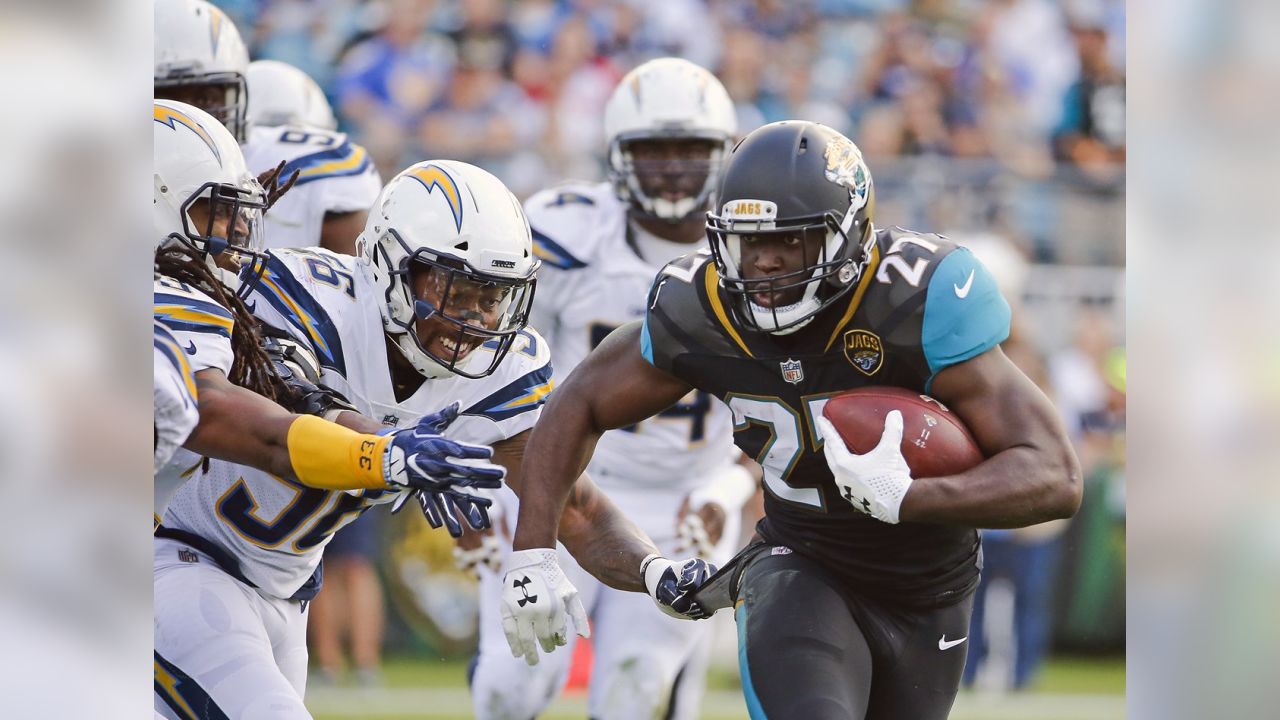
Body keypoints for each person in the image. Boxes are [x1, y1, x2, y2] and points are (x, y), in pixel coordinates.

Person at [502, 120, 1083, 719]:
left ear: (847, 235)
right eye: (748, 242)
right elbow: (575, 406)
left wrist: (912, 497)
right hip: (799, 564)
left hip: (930, 588)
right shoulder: (701, 308)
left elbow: (1054, 477)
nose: (765, 263)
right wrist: (532, 551)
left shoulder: (915, 298)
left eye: (792, 241)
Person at [152, 103, 505, 718]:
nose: (234, 240)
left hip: (275, 590)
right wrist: (382, 454)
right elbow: (214, 413)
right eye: (214, 214)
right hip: (173, 564)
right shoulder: (146, 300)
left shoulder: (213, 299)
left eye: (240, 218)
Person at [469, 58, 756, 720]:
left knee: (635, 691)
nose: (673, 167)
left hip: (686, 502)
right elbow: (495, 370)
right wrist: (489, 490)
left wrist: (730, 486)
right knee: (512, 688)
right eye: (653, 148)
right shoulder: (564, 231)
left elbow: (786, 396)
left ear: (722, 155)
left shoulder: (755, 244)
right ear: (618, 154)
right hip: (555, 480)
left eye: (691, 149)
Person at [155, 0, 380, 254]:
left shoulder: (298, 166)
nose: (186, 116)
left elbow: (363, 285)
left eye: (206, 98)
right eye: (164, 99)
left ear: (238, 97)